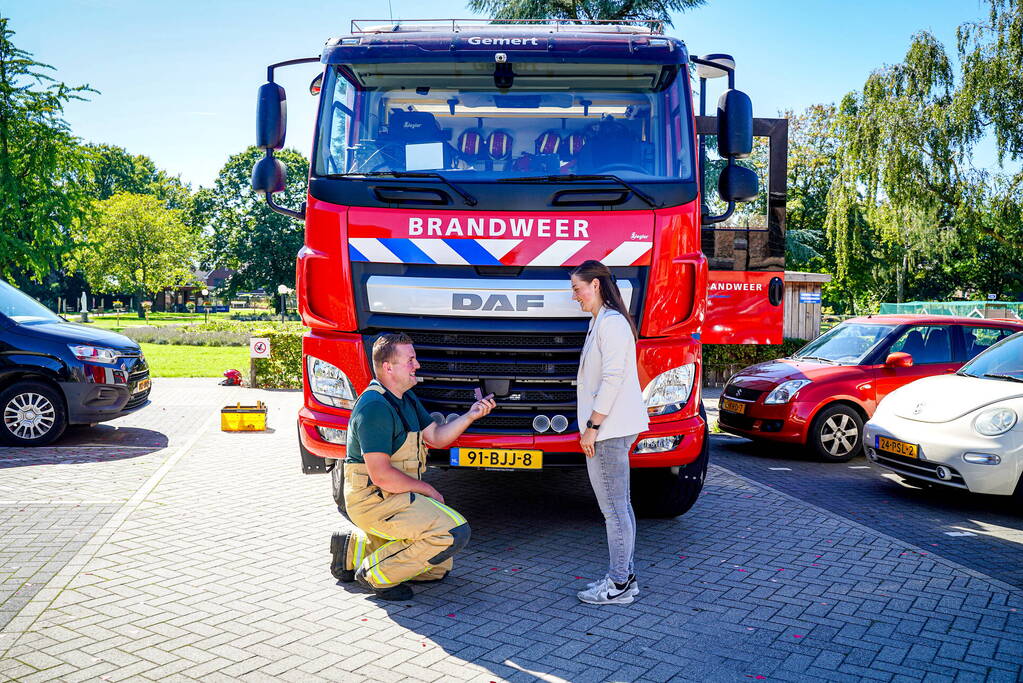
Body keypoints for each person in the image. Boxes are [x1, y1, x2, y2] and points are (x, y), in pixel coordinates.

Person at [329, 332, 496, 601]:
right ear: (388, 367)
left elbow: (437, 437)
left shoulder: (405, 398)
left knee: (437, 567)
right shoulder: (374, 408)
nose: (417, 365)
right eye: (410, 360)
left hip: (395, 496)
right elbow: (381, 475)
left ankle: (352, 550)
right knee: (451, 533)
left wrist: (471, 415)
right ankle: (374, 575)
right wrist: (428, 489)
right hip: (372, 501)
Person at [570, 260, 649, 605]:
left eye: (577, 288)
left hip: (608, 431)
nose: (575, 297)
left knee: (614, 510)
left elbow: (613, 379)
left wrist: (593, 427)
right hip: (609, 429)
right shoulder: (602, 322)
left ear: (596, 285)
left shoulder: (611, 324)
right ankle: (624, 578)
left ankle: (618, 585)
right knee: (620, 507)